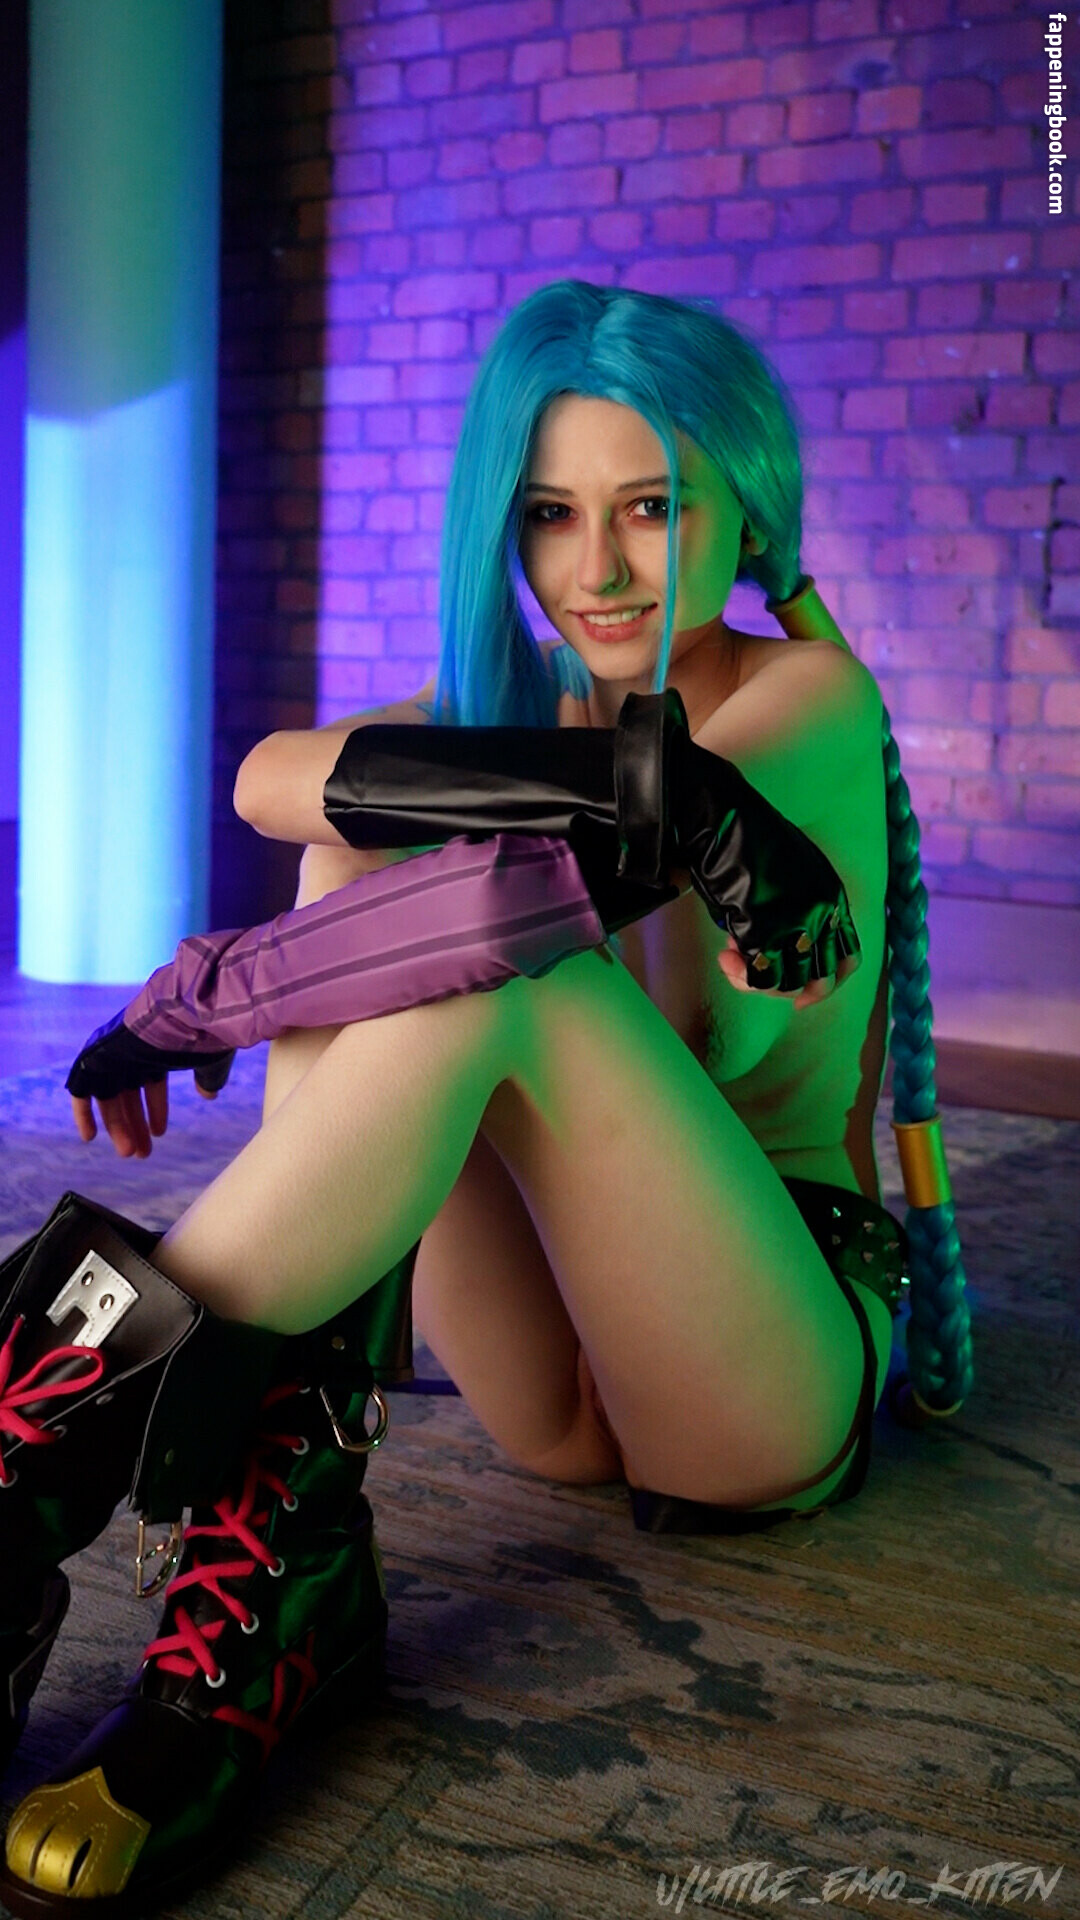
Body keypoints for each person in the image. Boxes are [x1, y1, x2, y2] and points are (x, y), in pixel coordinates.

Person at [0, 279, 973, 1918]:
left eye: (651, 508)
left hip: (762, 1356)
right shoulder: (524, 708)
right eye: (550, 515)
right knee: (354, 858)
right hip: (551, 1379)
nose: (600, 570)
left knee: (503, 952)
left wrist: (206, 995)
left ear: (743, 509)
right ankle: (284, 1557)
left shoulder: (808, 698)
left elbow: (583, 927)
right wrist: (641, 783)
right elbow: (272, 775)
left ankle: (29, 1464)